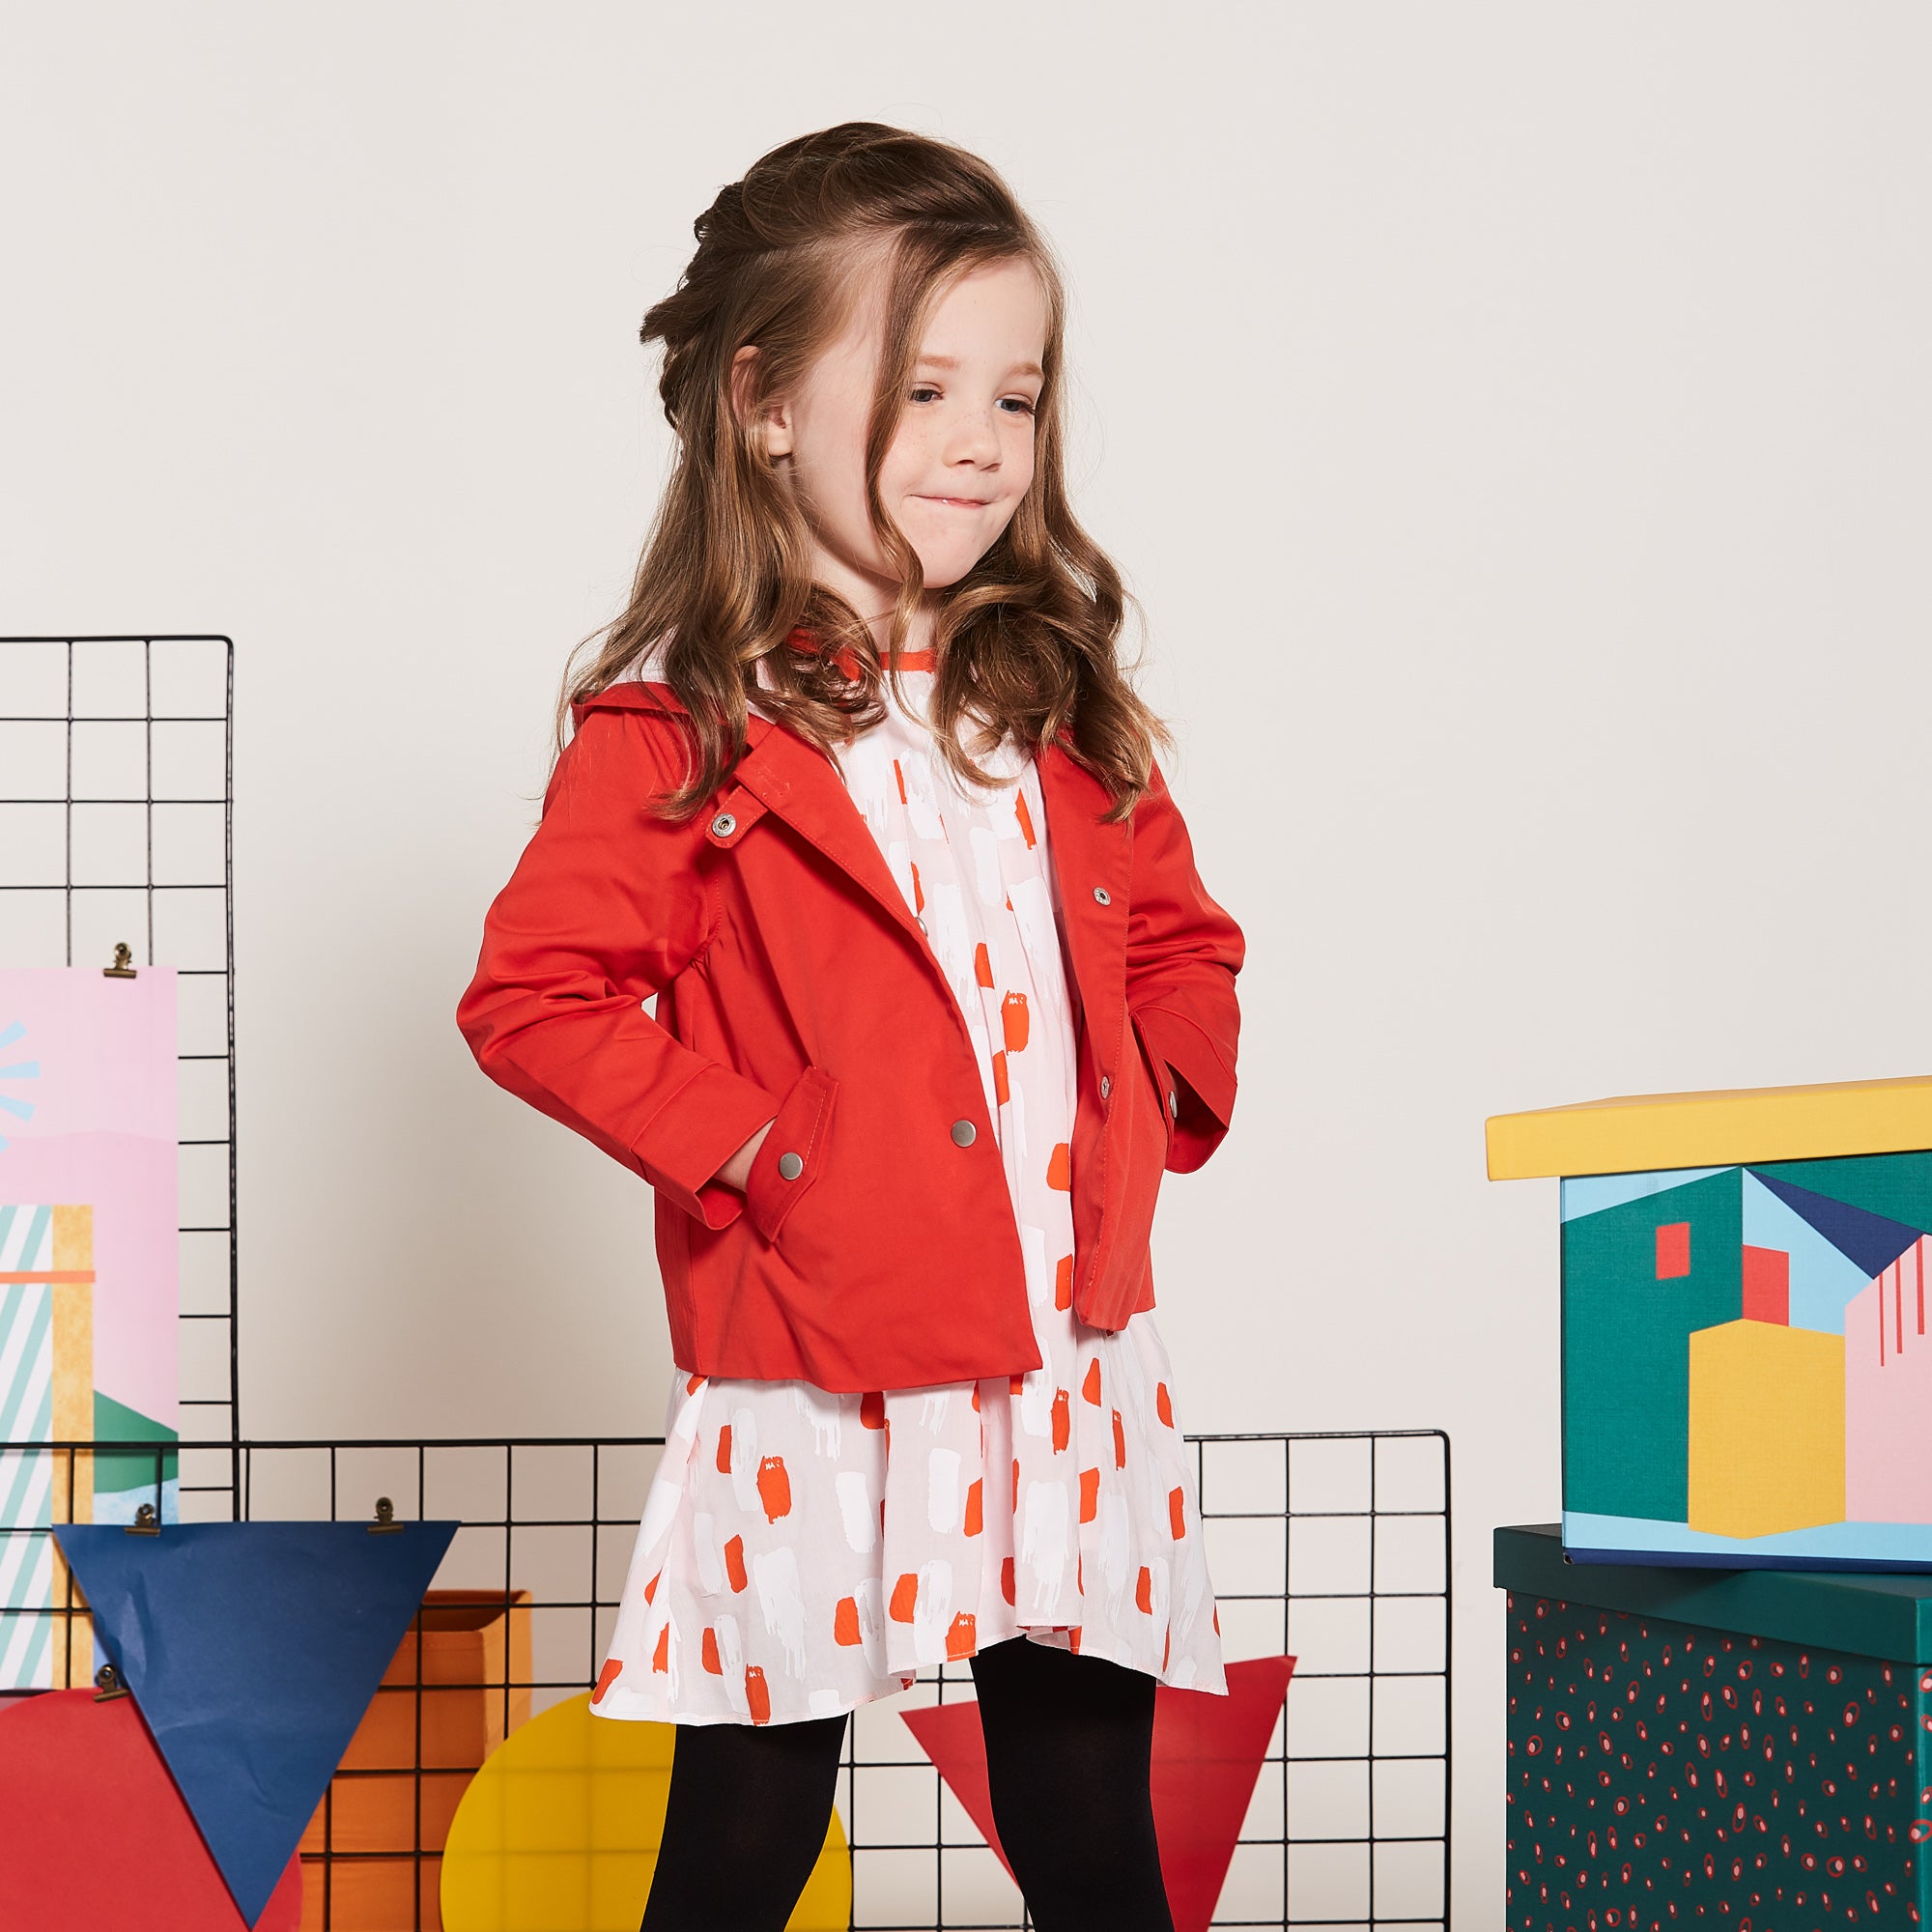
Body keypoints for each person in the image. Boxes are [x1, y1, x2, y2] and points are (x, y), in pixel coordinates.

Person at [457, 121, 1245, 1932]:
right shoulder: (681, 731)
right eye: (921, 386)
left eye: (1018, 395)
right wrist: (759, 1145)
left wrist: (1158, 1089)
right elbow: (534, 996)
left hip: (1061, 1350)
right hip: (819, 1351)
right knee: (742, 1833)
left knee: (1089, 1830)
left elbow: (1186, 941)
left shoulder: (1051, 698)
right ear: (764, 403)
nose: (980, 440)